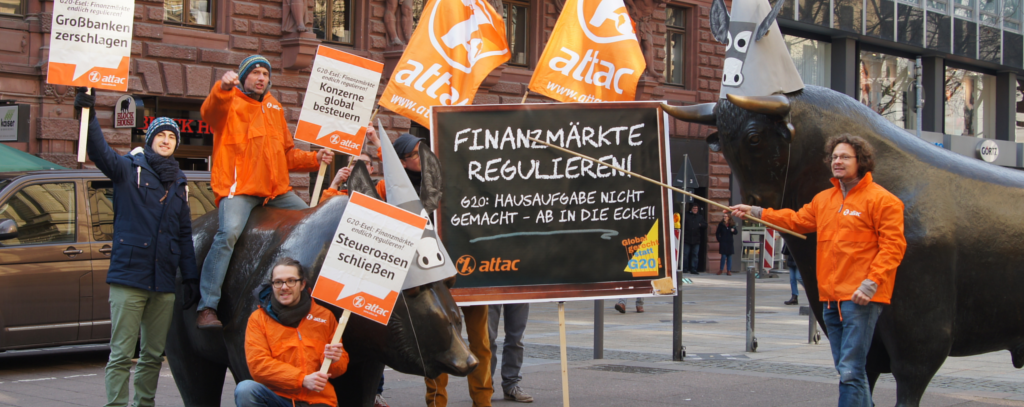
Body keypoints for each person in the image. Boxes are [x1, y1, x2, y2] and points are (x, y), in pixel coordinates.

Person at [728, 134, 906, 407]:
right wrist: (757, 212)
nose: (837, 161)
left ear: (861, 161)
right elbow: (796, 220)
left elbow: (893, 247)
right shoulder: (824, 199)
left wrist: (871, 283)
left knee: (850, 369)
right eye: (834, 157)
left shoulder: (884, 201)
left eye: (844, 157)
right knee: (848, 369)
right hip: (830, 299)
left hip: (860, 297)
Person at [76, 88, 200, 407]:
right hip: (129, 278)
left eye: (171, 137)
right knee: (121, 354)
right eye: (161, 135)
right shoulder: (128, 170)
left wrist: (189, 277)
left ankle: (144, 404)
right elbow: (99, 151)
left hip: (163, 282)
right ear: (150, 140)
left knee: (153, 355)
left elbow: (184, 235)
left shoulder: (179, 183)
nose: (166, 140)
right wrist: (87, 113)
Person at [197, 54, 334, 329]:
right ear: (243, 77)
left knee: (313, 222)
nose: (261, 78)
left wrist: (315, 158)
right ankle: (207, 306)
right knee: (227, 234)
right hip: (240, 190)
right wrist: (222, 88)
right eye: (255, 73)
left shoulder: (274, 107)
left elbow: (287, 154)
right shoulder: (228, 102)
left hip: (276, 192)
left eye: (265, 74)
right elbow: (209, 113)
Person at [235, 257, 349, 407]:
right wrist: (302, 379)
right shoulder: (258, 319)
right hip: (277, 398)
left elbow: (339, 369)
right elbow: (258, 365)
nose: (284, 287)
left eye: (291, 281)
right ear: (272, 285)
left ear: (302, 284)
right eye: (278, 282)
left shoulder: (325, 316)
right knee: (245, 390)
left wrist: (335, 361)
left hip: (318, 400)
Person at [488, 304, 533, 403]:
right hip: (488, 294)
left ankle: (511, 384)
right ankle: (485, 385)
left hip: (518, 293)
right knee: (487, 338)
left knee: (516, 338)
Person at [683, 204, 707, 274]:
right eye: (694, 208)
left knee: (695, 255)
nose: (695, 209)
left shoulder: (700, 217)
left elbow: (705, 225)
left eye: (696, 208)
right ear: (691, 208)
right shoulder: (686, 215)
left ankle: (693, 269)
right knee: (685, 254)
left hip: (696, 239)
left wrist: (700, 225)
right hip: (687, 238)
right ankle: (685, 268)